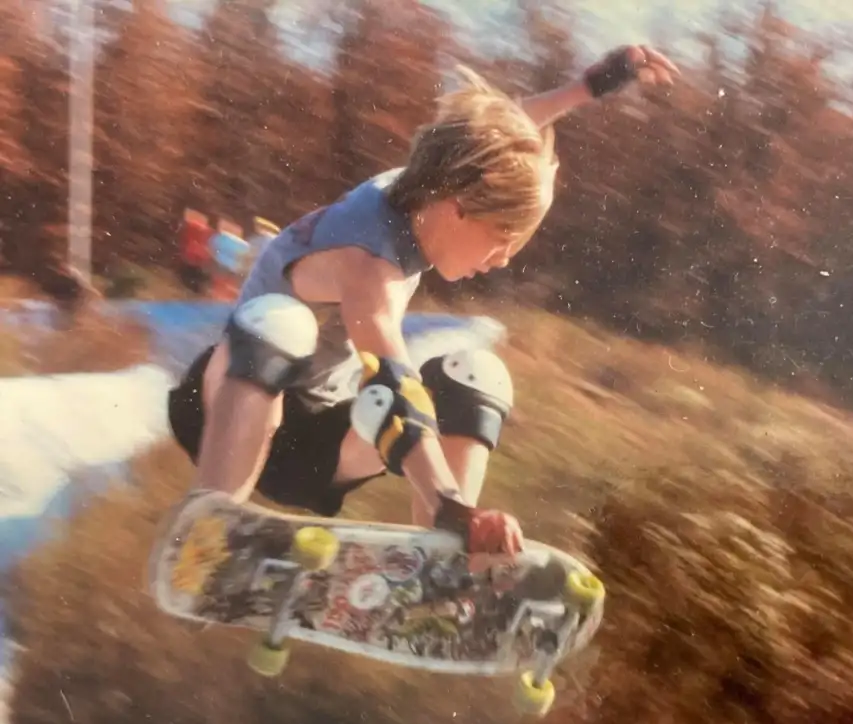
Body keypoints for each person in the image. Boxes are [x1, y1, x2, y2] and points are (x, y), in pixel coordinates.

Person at [167, 45, 679, 556]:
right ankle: (207, 533)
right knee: (279, 323)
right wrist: (450, 505)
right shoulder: (370, 264)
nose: (502, 259)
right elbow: (391, 388)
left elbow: (501, 133)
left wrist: (593, 85)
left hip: (312, 454)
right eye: (503, 237)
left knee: (476, 376)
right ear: (460, 207)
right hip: (220, 416)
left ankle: (436, 571)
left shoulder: (425, 185)